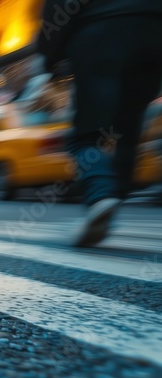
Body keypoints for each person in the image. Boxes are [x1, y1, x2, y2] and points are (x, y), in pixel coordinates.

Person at [37, 0, 162, 247]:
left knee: (87, 132)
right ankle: (115, 194)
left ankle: (101, 194)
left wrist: (50, 59)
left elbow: (57, 8)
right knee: (129, 124)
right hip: (154, 31)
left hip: (100, 31)